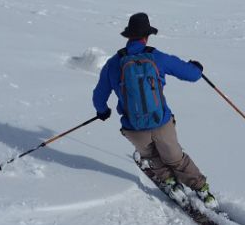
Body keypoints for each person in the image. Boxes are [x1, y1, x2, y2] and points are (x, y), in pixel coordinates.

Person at [92, 12, 218, 209]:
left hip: (134, 128)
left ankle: (169, 182)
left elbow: (99, 95)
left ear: (128, 36)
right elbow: (192, 75)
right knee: (176, 158)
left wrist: (102, 111)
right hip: (161, 123)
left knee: (152, 157)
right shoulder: (156, 57)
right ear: (146, 36)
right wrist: (197, 67)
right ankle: (202, 190)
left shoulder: (113, 63)